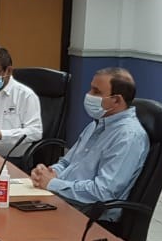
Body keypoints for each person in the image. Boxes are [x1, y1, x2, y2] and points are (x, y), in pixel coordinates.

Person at [30, 67, 148, 222]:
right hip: (64, 201)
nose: (89, 95)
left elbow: (103, 192)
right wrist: (48, 172)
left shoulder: (128, 137)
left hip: (89, 218)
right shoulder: (96, 124)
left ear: (117, 100)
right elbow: (67, 163)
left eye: (96, 92)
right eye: (91, 89)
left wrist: (53, 184)